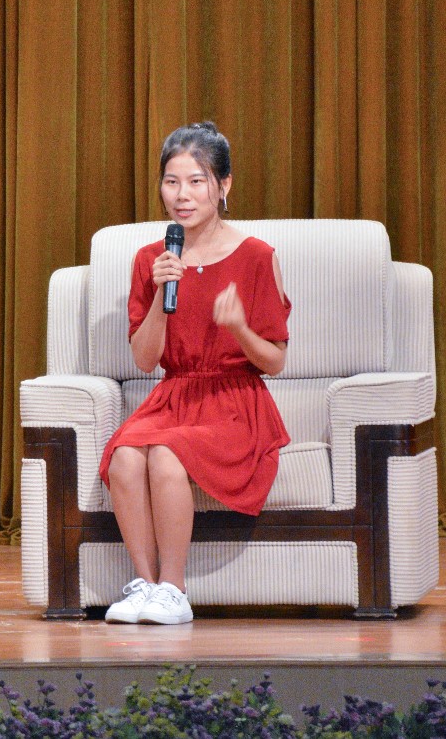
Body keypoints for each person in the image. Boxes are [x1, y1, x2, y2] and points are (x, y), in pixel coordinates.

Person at [98, 121, 291, 625]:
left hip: (235, 402)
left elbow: (275, 361)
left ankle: (174, 589)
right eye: (171, 182)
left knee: (166, 453)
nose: (182, 195)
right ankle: (145, 586)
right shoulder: (152, 259)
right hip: (175, 395)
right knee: (124, 456)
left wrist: (240, 328)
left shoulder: (256, 257)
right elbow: (145, 361)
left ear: (223, 186)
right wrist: (161, 299)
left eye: (196, 181)